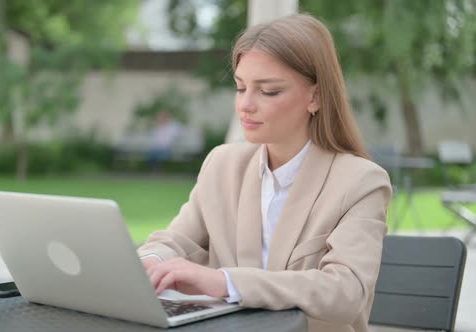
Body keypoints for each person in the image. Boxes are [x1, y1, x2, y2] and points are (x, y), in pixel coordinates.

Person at [137, 13, 391, 332]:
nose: (245, 105)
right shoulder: (222, 165)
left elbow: (345, 293)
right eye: (240, 87)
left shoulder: (361, 182)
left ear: (315, 96)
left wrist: (225, 282)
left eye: (268, 91)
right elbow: (175, 240)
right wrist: (152, 262)